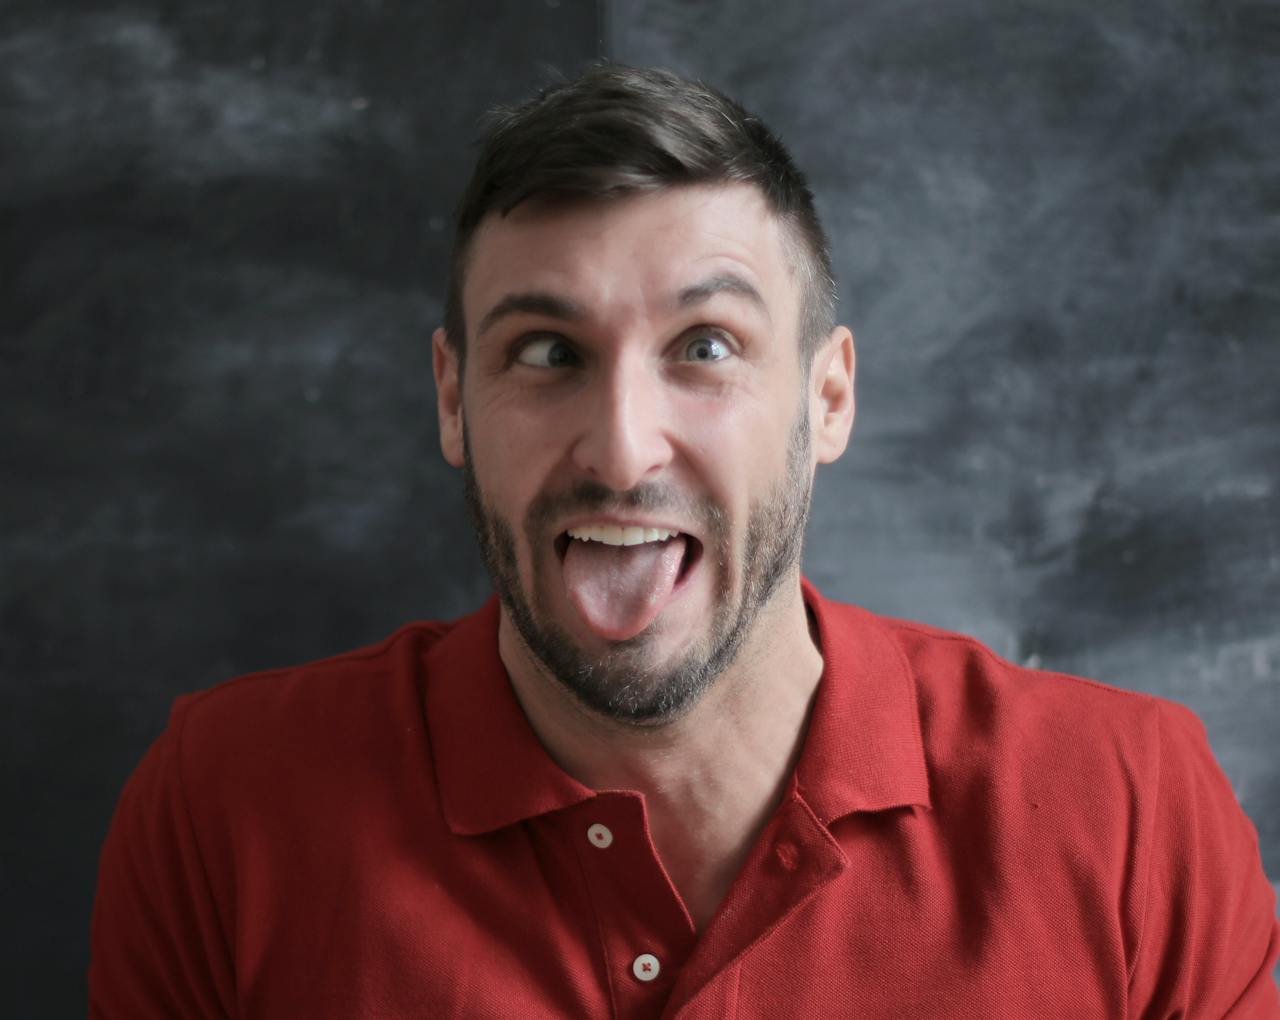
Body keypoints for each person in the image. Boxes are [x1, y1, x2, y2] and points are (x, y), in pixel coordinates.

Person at [89, 64, 1278, 1019]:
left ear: (826, 399)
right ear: (452, 400)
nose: (620, 450)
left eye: (704, 347)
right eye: (545, 353)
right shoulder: (222, 808)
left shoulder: (1131, 810)